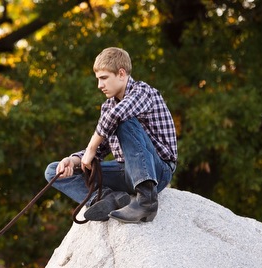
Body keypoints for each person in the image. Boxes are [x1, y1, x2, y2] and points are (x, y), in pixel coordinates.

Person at [45, 47, 177, 223]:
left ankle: (146, 201)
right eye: (98, 79)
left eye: (104, 78)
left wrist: (91, 148)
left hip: (157, 171)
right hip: (126, 172)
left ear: (121, 74)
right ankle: (108, 199)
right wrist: (74, 160)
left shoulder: (144, 93)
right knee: (54, 171)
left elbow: (117, 116)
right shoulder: (108, 107)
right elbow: (99, 149)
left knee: (124, 120)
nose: (99, 85)